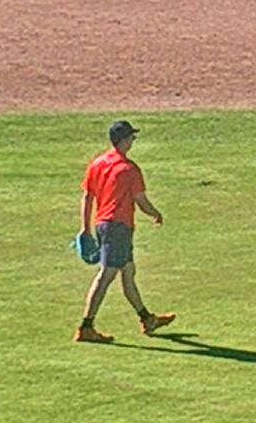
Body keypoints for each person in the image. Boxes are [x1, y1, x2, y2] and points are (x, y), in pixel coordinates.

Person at [75, 120, 175, 344]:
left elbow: (88, 196)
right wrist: (156, 214)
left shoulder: (97, 164)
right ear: (124, 140)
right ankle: (86, 326)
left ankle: (146, 318)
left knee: (128, 271)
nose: (133, 141)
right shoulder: (129, 169)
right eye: (131, 137)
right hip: (118, 226)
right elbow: (140, 200)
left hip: (103, 225)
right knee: (107, 275)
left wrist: (85, 228)